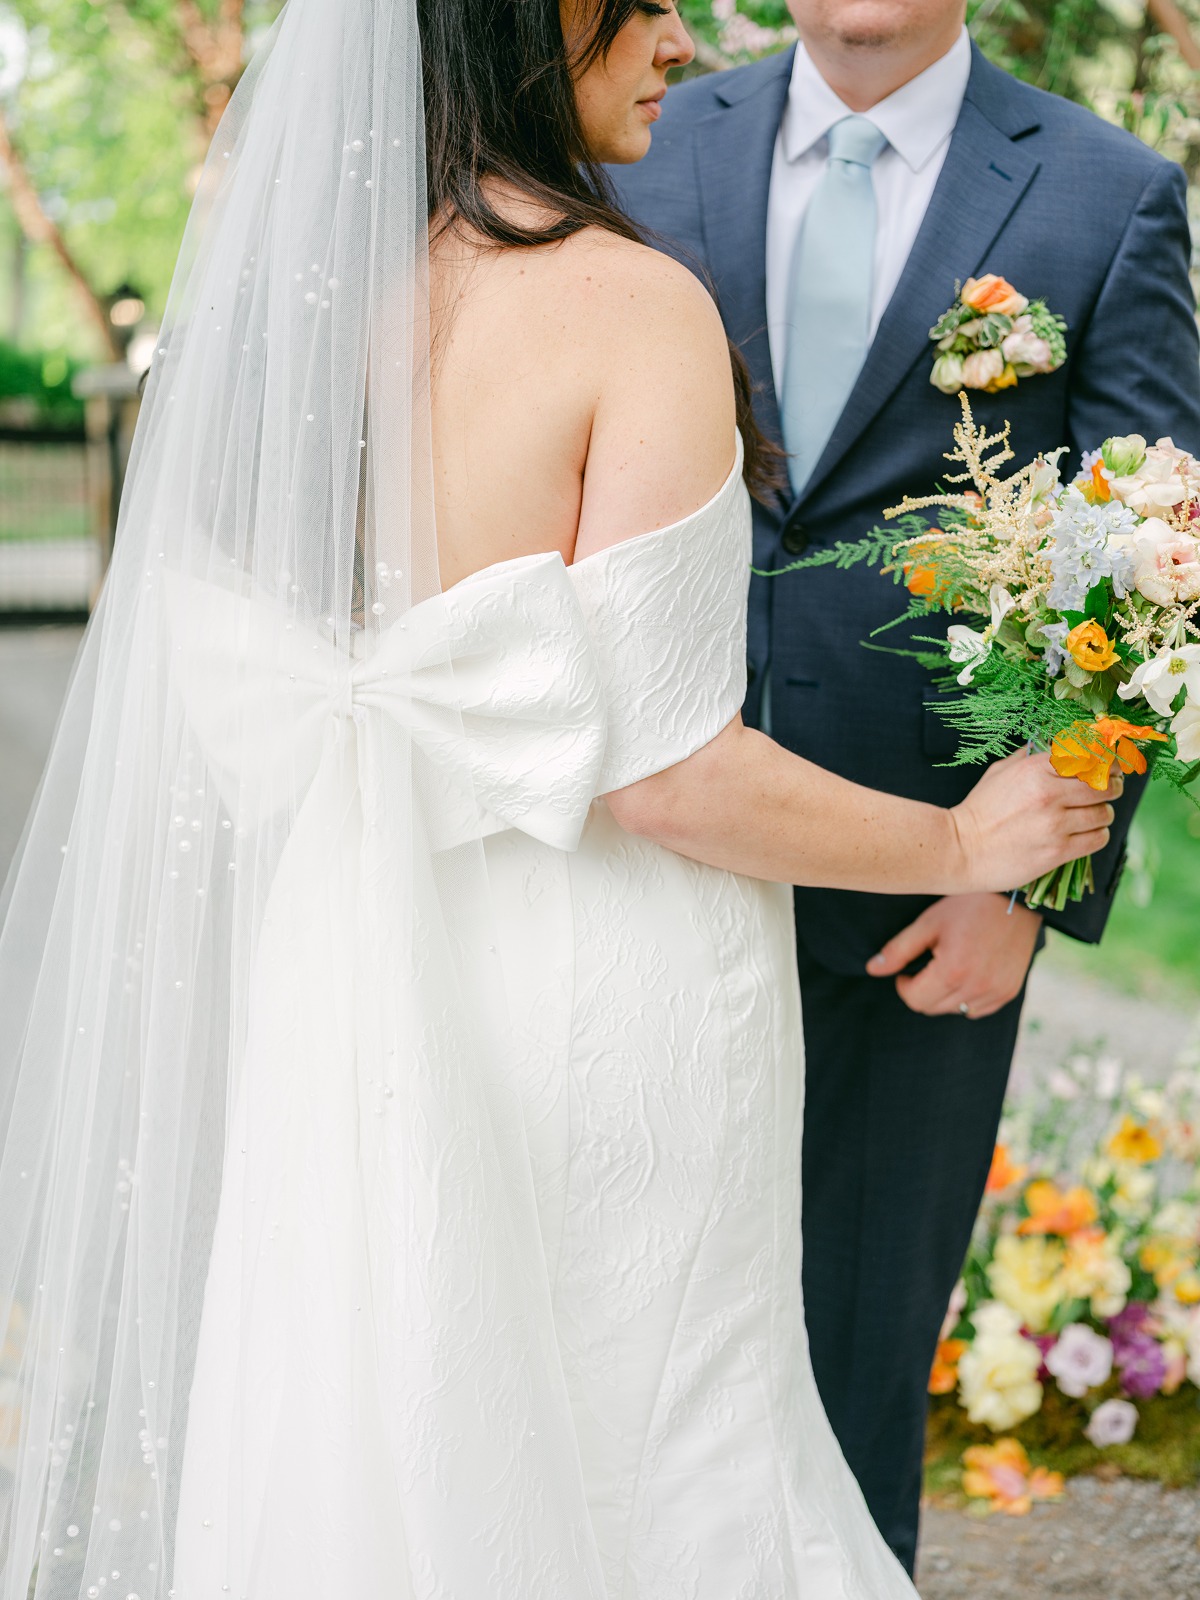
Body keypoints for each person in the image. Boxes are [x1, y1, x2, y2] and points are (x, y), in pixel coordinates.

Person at [0, 4, 1117, 1598]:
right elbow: (664, 776)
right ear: (528, 22)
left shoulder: (283, 313)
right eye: (641, 2)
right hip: (605, 989)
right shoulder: (625, 303)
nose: (677, 39)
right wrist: (961, 839)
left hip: (354, 958)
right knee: (656, 1437)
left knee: (398, 1419)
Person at [612, 0, 1200, 1572]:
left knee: (854, 1361)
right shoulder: (648, 145)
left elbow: (1152, 567)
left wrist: (1030, 884)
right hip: (638, 862)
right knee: (631, 1349)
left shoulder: (1104, 192)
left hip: (931, 906)